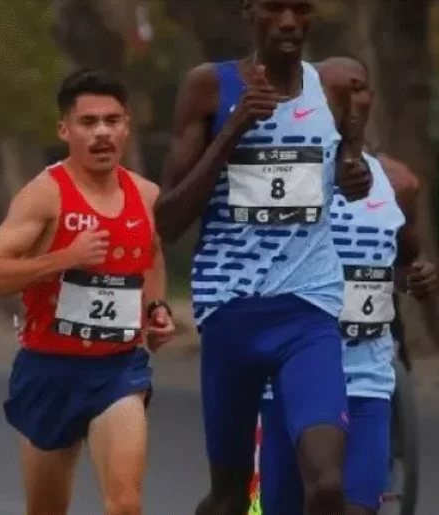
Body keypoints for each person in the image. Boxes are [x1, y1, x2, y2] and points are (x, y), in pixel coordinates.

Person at [154, 1, 373, 514]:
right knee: (230, 499)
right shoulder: (211, 88)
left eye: (301, 9)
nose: (290, 22)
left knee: (325, 485)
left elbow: (349, 159)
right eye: (275, 8)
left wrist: (351, 169)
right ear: (249, 11)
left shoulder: (334, 88)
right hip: (232, 310)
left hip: (308, 310)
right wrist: (232, 130)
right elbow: (167, 219)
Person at [0, 69, 176, 515]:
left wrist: (156, 309)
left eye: (111, 120)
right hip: (49, 369)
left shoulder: (146, 195)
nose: (101, 132)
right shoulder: (45, 195)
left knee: (125, 504)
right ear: (65, 130)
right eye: (88, 122)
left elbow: (152, 254)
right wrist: (64, 258)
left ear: (126, 126)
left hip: (119, 370)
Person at [258, 56, 437, 515]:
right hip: (290, 384)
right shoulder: (285, 174)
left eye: (359, 88)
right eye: (335, 91)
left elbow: (403, 254)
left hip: (367, 382)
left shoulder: (397, 184)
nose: (350, 102)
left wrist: (418, 277)